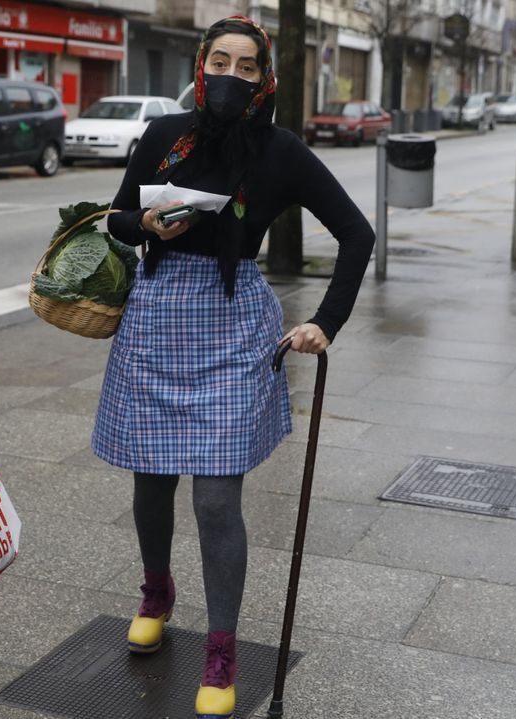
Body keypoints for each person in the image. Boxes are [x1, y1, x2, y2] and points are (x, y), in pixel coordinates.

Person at [92, 16, 374, 719]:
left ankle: (222, 647)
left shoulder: (281, 152)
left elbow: (356, 233)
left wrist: (324, 322)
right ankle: (157, 590)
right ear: (200, 64)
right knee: (151, 479)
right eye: (219, 60)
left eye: (246, 66)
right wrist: (146, 225)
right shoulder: (162, 137)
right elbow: (117, 219)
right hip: (157, 320)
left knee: (217, 500)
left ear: (263, 78)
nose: (230, 75)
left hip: (231, 328)